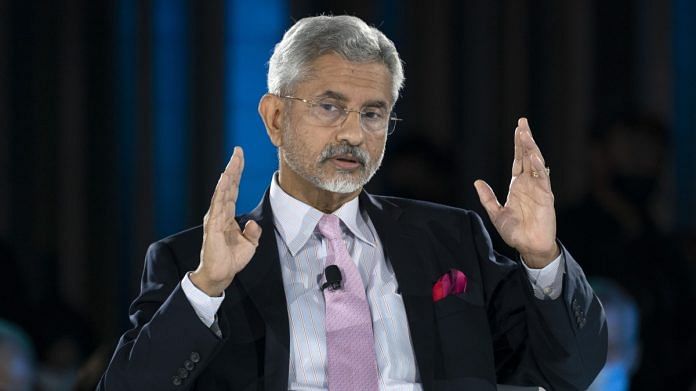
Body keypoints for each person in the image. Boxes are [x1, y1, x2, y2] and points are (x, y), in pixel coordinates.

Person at [99, 15, 606, 390]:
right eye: (329, 106)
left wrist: (542, 259)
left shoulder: (450, 241)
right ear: (275, 117)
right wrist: (208, 288)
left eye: (372, 113)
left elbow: (572, 370)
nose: (353, 134)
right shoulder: (193, 263)